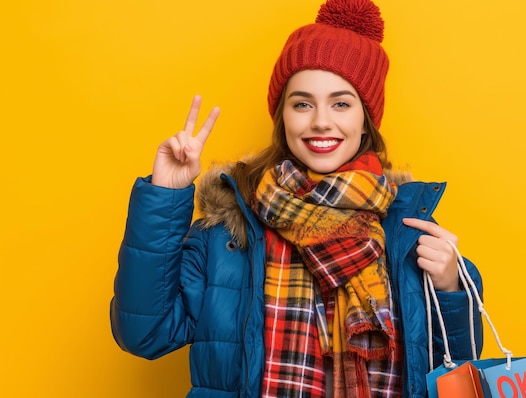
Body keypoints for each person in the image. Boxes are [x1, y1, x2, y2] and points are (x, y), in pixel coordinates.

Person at [110, 0, 484, 397]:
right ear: (282, 117)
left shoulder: (409, 228)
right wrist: (165, 196)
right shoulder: (229, 232)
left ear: (365, 120)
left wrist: (451, 289)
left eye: (341, 103)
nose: (321, 120)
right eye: (302, 103)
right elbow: (143, 334)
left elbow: (457, 369)